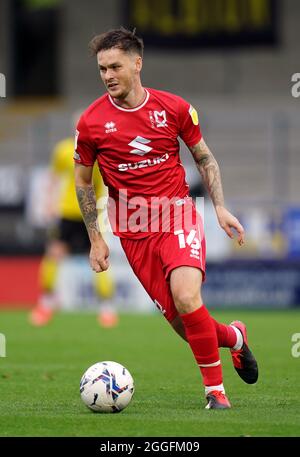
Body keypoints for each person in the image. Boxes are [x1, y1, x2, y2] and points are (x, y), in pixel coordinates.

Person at [74, 28, 258, 409]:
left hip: (177, 215)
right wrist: (95, 238)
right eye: (102, 69)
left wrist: (219, 206)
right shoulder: (91, 123)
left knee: (188, 297)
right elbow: (82, 182)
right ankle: (235, 338)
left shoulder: (174, 108)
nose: (108, 75)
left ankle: (216, 394)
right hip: (133, 229)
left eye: (115, 66)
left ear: (137, 64)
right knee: (185, 324)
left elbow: (203, 157)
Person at [29, 127, 118, 328]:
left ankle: (106, 308)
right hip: (67, 211)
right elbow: (53, 177)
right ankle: (46, 303)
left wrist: (103, 211)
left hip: (91, 215)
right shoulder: (63, 150)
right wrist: (49, 202)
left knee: (99, 257)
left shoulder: (99, 155)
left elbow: (102, 186)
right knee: (54, 254)